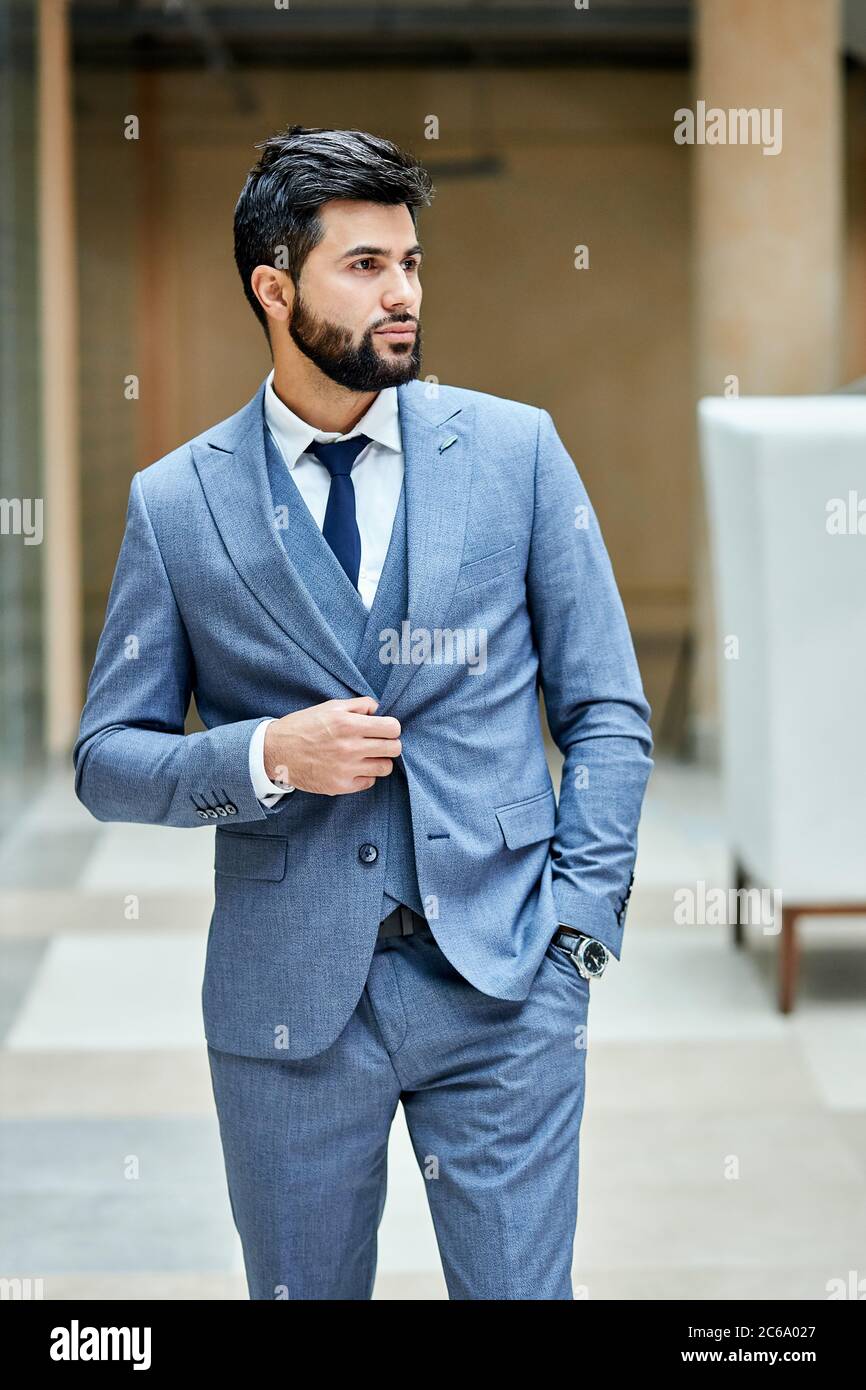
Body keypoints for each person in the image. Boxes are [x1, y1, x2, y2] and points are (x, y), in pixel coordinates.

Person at [73, 125, 654, 1300]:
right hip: (289, 1011)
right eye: (365, 266)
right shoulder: (178, 504)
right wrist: (264, 754)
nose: (402, 295)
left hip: (500, 985)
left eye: (411, 263)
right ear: (273, 289)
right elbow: (105, 758)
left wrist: (577, 929)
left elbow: (605, 708)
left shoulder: (513, 454)